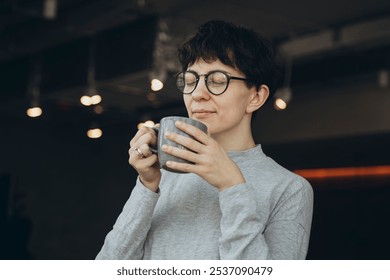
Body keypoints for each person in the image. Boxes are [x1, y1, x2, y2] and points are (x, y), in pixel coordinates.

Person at [96, 20, 313, 260]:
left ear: (256, 97)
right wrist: (147, 186)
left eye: (218, 81)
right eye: (190, 81)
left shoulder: (289, 189)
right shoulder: (167, 172)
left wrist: (232, 186)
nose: (198, 94)